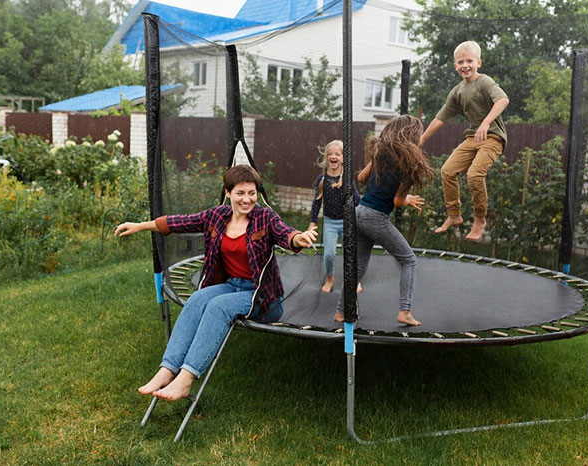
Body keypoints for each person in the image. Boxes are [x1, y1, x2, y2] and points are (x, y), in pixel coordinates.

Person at [115, 165, 317, 401]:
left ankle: (186, 378)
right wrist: (140, 226)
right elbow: (178, 222)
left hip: (263, 298)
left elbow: (284, 233)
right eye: (240, 193)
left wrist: (297, 238)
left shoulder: (265, 217)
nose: (247, 199)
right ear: (228, 192)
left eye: (252, 193)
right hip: (232, 285)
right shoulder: (216, 216)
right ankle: (167, 370)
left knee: (218, 307)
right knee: (199, 298)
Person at [334, 114, 433, 326]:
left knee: (357, 269)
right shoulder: (408, 163)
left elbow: (360, 178)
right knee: (409, 260)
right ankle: (405, 311)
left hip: (359, 212)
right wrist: (408, 200)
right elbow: (397, 200)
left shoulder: (380, 152)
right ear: (411, 136)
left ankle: (341, 312)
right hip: (376, 218)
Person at [420, 40, 509, 241]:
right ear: (455, 66)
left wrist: (486, 122)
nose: (465, 65)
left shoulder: (484, 81)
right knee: (447, 171)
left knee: (475, 175)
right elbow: (440, 117)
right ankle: (454, 215)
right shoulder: (458, 91)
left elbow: (503, 100)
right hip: (473, 137)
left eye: (469, 61)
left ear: (479, 62)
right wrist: (422, 139)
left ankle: (479, 220)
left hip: (493, 137)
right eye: (461, 62)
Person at [308, 140, 360, 292]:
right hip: (330, 222)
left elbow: (356, 200)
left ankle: (354, 279)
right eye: (330, 154)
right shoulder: (322, 179)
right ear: (326, 158)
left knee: (350, 253)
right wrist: (312, 222)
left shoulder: (347, 178)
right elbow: (317, 202)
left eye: (337, 154)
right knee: (329, 254)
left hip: (347, 222)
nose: (333, 156)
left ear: (343, 158)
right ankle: (330, 278)